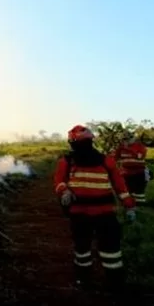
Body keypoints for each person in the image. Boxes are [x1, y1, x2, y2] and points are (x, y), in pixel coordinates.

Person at [55, 125, 136, 291]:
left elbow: (120, 186)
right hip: (80, 214)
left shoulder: (106, 161)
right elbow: (59, 181)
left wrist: (129, 206)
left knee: (108, 248)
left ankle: (113, 282)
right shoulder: (67, 161)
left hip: (104, 214)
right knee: (83, 247)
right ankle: (85, 280)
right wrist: (64, 191)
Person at [114, 133, 150, 207]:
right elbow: (115, 158)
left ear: (133, 139)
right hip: (126, 173)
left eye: (127, 140)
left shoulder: (140, 146)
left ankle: (140, 206)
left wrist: (128, 149)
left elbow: (139, 156)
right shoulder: (121, 148)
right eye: (124, 140)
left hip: (138, 172)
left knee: (139, 191)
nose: (125, 142)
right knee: (128, 190)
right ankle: (129, 205)